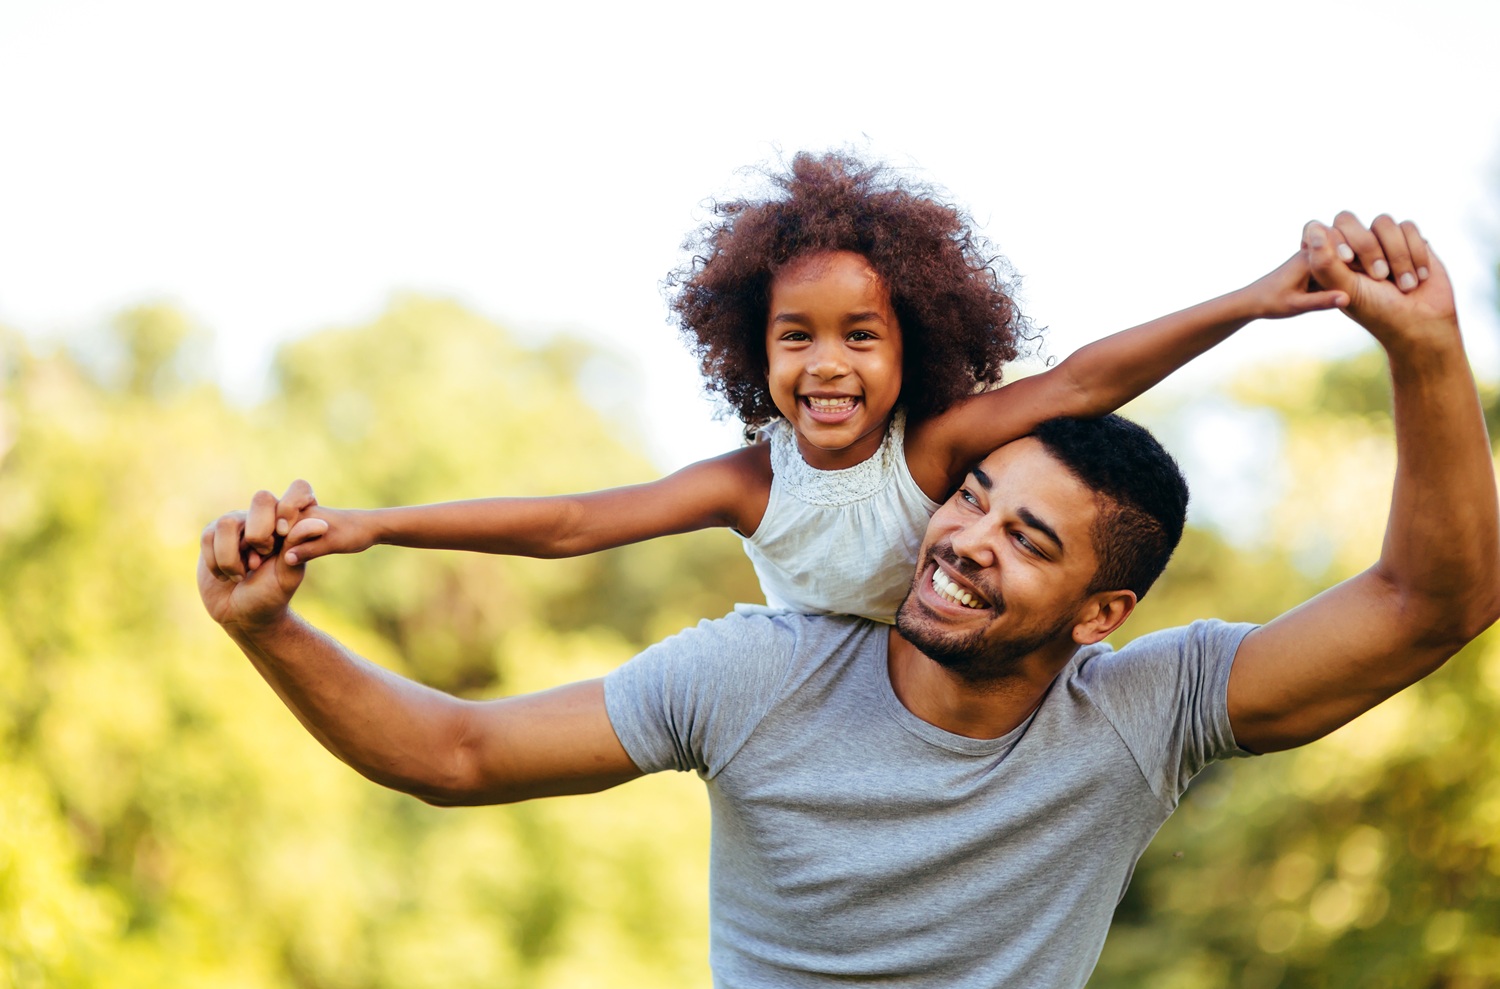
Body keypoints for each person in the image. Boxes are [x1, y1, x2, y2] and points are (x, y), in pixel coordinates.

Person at [199, 212, 1498, 989]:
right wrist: (273, 626)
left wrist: (1427, 350)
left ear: (1099, 612)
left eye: (1026, 537)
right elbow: (455, 748)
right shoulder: (759, 672)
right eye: (973, 496)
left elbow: (1432, 603)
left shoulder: (1144, 714)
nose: (964, 537)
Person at [254, 152, 1351, 623]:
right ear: (754, 349)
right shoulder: (750, 482)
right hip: (813, 709)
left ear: (911, 345)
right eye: (796, 337)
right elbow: (575, 522)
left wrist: (1249, 301)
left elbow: (1084, 379)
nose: (827, 364)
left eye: (861, 335)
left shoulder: (930, 454)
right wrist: (374, 525)